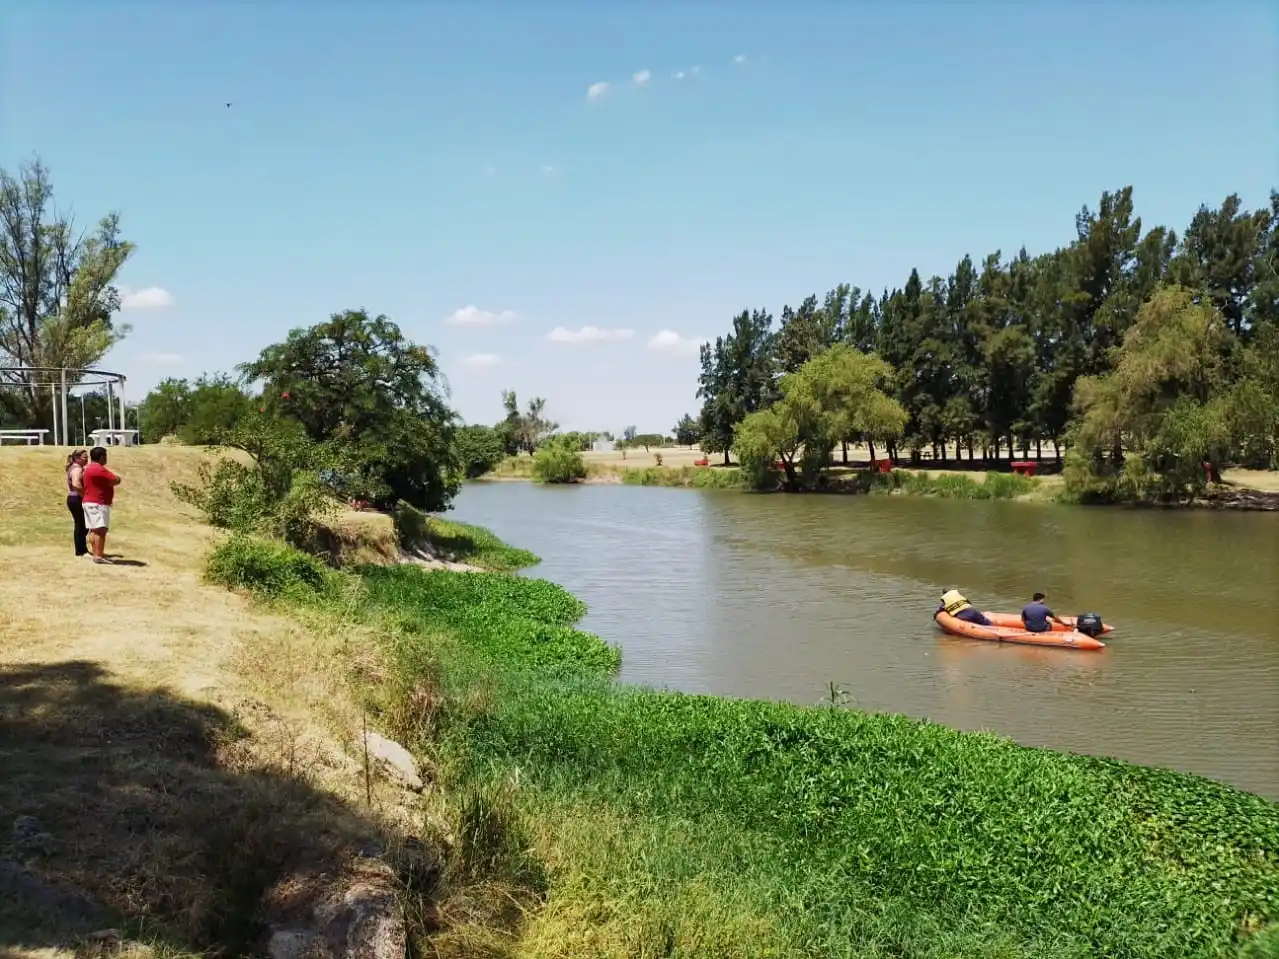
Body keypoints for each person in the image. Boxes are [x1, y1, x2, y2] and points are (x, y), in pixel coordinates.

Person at [82, 446, 122, 565]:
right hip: (98, 503)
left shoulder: (89, 468)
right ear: (102, 457)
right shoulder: (99, 469)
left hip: (89, 501)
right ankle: (98, 556)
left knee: (94, 530)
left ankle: (96, 554)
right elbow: (116, 479)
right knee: (100, 529)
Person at [65, 449, 89, 557]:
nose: (87, 459)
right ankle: (80, 551)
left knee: (82, 524)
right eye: (84, 457)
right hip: (76, 499)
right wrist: (85, 495)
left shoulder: (76, 468)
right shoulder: (77, 469)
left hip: (74, 498)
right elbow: (76, 484)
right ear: (77, 458)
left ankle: (82, 549)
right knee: (81, 524)